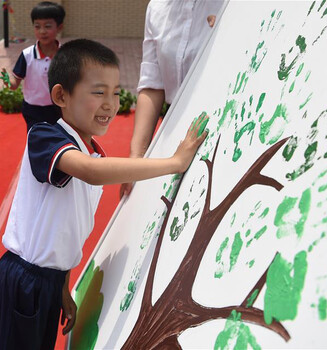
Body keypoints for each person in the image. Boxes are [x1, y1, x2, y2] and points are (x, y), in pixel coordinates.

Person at [0, 38, 208, 350]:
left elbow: (68, 230)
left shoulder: (92, 154)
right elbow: (90, 171)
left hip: (49, 281)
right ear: (61, 95)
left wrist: (63, 287)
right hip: (25, 280)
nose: (110, 103)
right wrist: (174, 163)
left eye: (114, 92)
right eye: (98, 92)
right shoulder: (45, 137)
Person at [121, 0, 225, 197]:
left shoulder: (235, 5)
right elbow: (153, 85)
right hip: (174, 128)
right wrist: (136, 159)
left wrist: (231, 36)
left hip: (222, 122)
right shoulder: (157, 7)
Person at [1, 1, 65, 130]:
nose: (42, 31)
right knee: (36, 141)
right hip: (33, 109)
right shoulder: (27, 55)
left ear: (59, 27)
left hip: (58, 109)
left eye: (47, 26)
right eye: (37, 26)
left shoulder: (65, 55)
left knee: (58, 142)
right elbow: (15, 85)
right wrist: (7, 82)